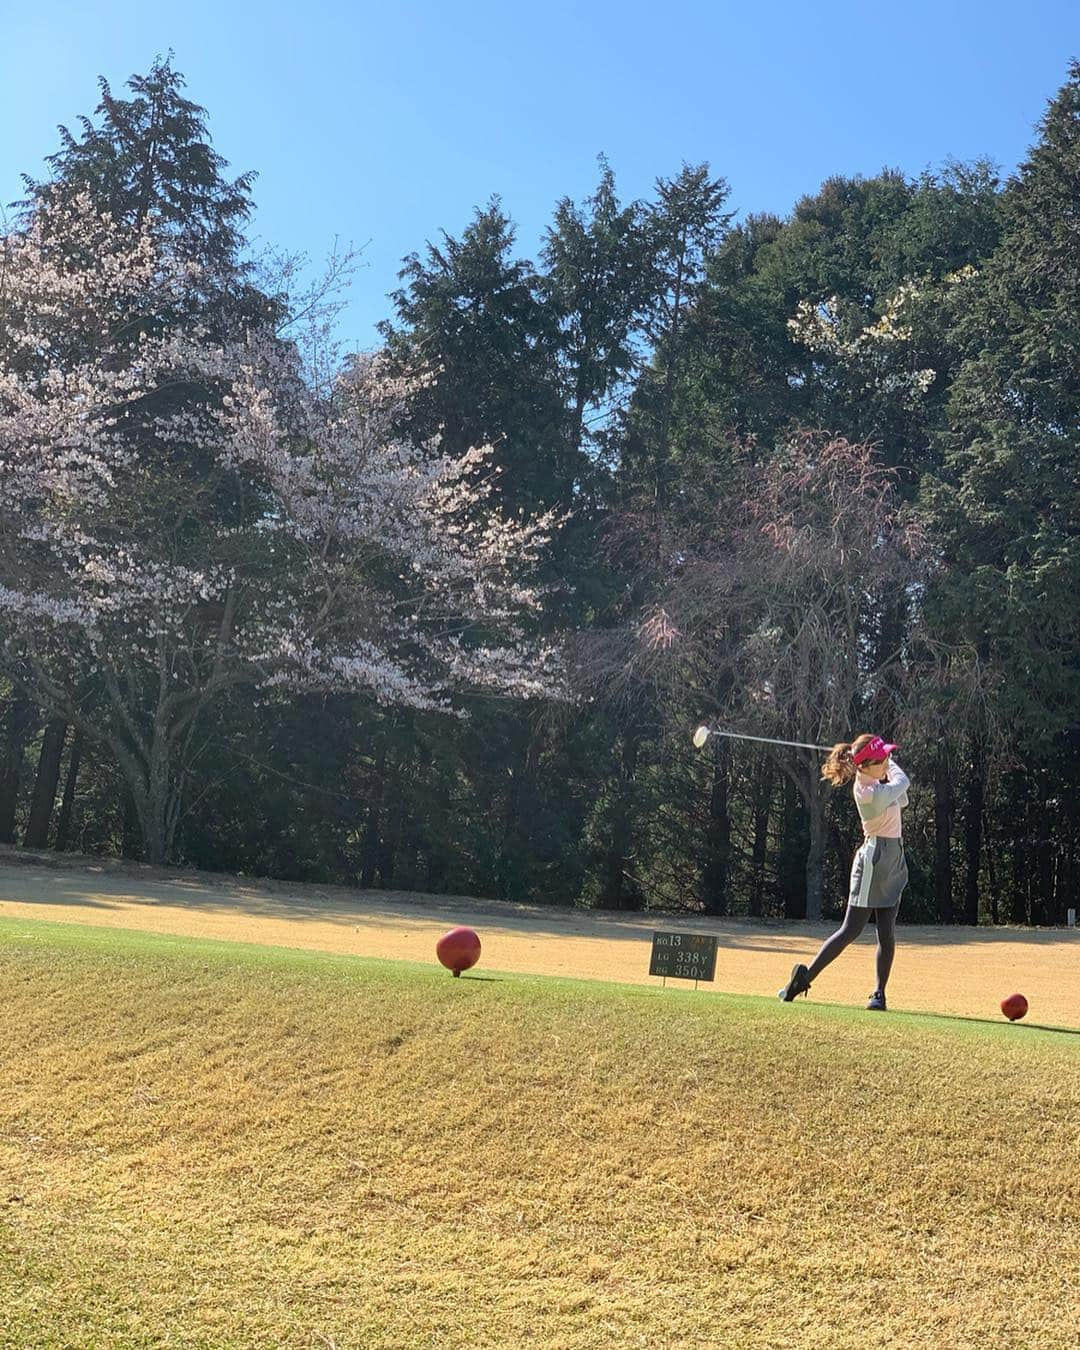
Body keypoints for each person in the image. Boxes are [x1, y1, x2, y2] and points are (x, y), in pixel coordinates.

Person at [778, 734, 910, 1011]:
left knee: (887, 933)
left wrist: (884, 761)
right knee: (852, 928)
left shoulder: (877, 780)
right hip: (873, 860)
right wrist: (891, 764)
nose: (888, 759)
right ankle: (805, 978)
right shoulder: (868, 793)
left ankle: (879, 994)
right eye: (883, 757)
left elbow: (903, 799)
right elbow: (904, 783)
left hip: (894, 857)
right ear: (865, 766)